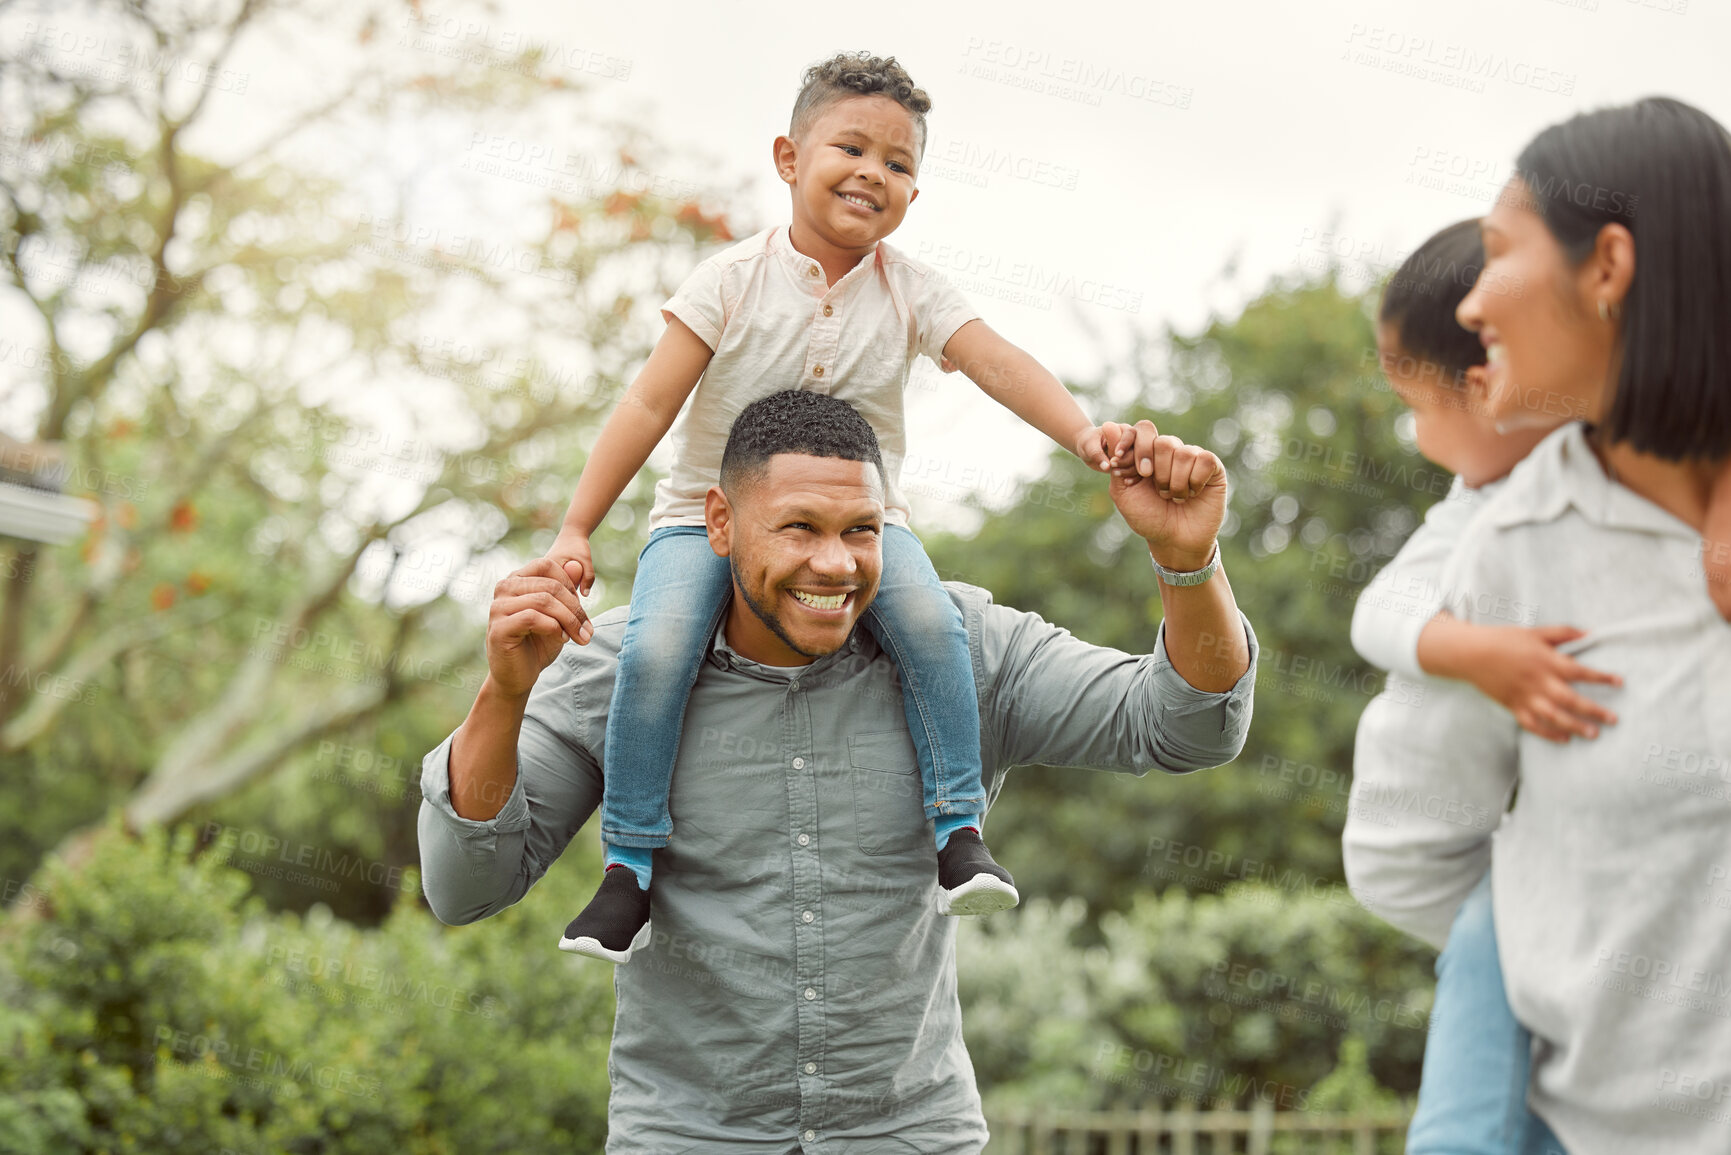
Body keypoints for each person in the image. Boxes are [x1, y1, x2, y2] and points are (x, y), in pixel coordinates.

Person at [417, 389, 1256, 1152]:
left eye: (861, 529)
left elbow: (1182, 726)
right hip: (688, 1135)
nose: (836, 563)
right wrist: (502, 693)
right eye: (798, 528)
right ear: (718, 522)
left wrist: (1187, 563)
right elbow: (467, 885)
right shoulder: (617, 671)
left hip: (910, 1132)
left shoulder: (963, 651)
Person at [539, 52, 1116, 961]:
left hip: (861, 525)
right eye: (849, 146)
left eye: (897, 164)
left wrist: (1084, 435)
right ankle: (629, 868)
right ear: (787, 158)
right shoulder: (729, 281)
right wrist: (576, 527)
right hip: (703, 517)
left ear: (914, 193)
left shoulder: (912, 291)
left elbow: (996, 360)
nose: (871, 173)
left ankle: (957, 830)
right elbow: (648, 405)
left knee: (930, 621)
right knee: (653, 652)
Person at [1345, 96, 1731, 1154]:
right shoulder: (1508, 545)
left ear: (1608, 268)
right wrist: (1579, 935)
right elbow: (1404, 852)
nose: (1472, 303)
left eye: (1499, 253)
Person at [1346, 220, 1622, 1154]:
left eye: (1416, 408)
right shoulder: (1476, 509)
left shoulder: (1606, 487)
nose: (1417, 440)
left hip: (1510, 861)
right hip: (1429, 852)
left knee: (1538, 1068)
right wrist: (1475, 652)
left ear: (1485, 387)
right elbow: (1376, 614)